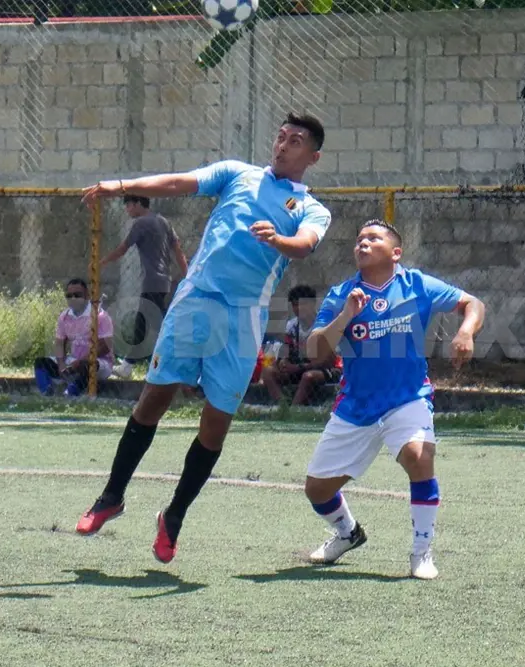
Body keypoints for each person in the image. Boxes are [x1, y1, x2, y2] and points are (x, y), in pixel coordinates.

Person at [75, 112, 332, 564]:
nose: (283, 145)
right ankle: (110, 497)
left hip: (242, 318)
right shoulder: (237, 173)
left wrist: (278, 240)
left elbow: (307, 242)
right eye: (281, 136)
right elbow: (179, 183)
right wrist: (121, 185)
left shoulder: (311, 207)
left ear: (312, 156)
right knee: (153, 400)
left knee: (215, 425)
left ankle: (172, 517)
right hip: (195, 302)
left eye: (295, 141)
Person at [302, 220, 485, 580]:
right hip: (356, 405)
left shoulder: (417, 284)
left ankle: (421, 552)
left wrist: (465, 331)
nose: (363, 243)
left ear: (396, 252)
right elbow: (314, 350)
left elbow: (472, 303)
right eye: (359, 239)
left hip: (407, 398)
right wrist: (346, 317)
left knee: (419, 457)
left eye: (373, 238)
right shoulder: (342, 294)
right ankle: (347, 533)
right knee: (317, 490)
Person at [100, 195, 189, 377]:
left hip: (152, 282)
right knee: (147, 324)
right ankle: (130, 364)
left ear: (139, 204)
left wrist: (102, 262)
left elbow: (123, 248)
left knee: (155, 327)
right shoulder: (163, 222)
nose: (128, 210)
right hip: (163, 282)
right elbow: (177, 249)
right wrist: (187, 274)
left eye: (129, 206)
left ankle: (172, 364)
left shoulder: (141, 223)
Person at [261, 284, 343, 405]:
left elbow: (328, 361)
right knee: (268, 371)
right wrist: (284, 362)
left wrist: (298, 367)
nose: (298, 308)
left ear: (312, 304)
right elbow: (285, 350)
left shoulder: (324, 325)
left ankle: (293, 411)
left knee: (308, 377)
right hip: (298, 369)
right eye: (295, 304)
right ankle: (282, 406)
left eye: (303, 304)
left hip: (327, 370)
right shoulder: (291, 326)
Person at [32, 278, 115, 397]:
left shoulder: (99, 315)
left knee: (87, 364)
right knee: (41, 362)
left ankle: (71, 394)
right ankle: (47, 393)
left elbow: (105, 346)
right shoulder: (65, 317)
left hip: (100, 363)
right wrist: (61, 364)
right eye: (69, 295)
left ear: (87, 295)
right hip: (74, 360)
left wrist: (80, 361)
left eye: (77, 295)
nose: (73, 298)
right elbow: (60, 343)